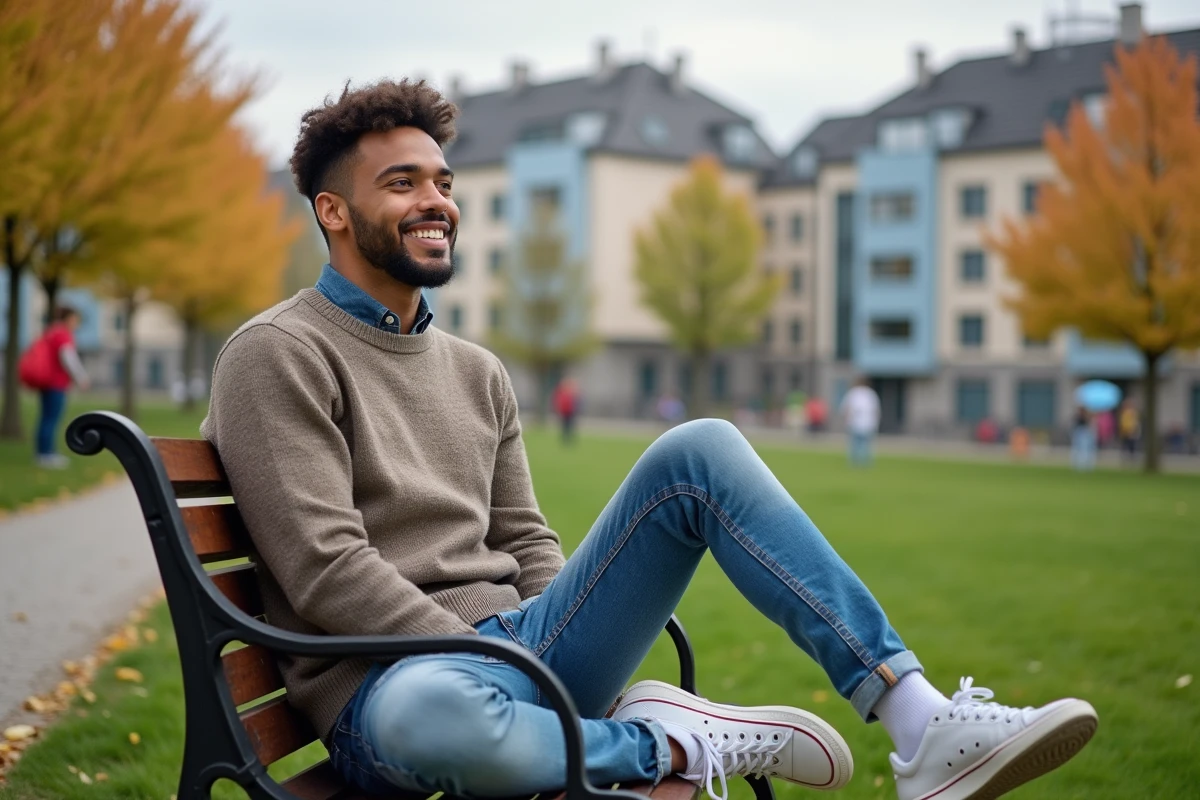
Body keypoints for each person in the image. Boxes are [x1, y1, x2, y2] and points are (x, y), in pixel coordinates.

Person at [201, 80, 1096, 800]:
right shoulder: (278, 354)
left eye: (442, 182)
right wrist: (493, 659)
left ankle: (920, 722)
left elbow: (524, 542)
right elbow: (326, 568)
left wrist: (560, 654)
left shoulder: (476, 370)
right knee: (440, 718)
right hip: (388, 689)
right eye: (403, 183)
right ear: (333, 212)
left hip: (522, 652)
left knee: (699, 448)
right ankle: (670, 742)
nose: (436, 201)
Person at [17, 305, 90, 468]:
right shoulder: (63, 334)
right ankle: (46, 454)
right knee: (51, 419)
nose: (76, 323)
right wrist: (81, 377)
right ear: (69, 318)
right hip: (56, 384)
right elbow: (68, 357)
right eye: (75, 319)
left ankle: (42, 452)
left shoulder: (51, 331)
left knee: (45, 418)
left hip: (46, 382)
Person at [839, 377, 881, 467]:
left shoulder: (853, 393)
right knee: (865, 445)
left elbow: (847, 408)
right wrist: (876, 423)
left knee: (855, 445)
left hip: (856, 422)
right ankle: (864, 464)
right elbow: (876, 410)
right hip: (868, 423)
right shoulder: (871, 394)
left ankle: (855, 463)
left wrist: (846, 421)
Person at [551, 377, 580, 444]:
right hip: (564, 412)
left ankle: (569, 438)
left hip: (570, 412)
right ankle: (565, 439)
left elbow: (574, 402)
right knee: (564, 426)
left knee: (570, 426)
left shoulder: (570, 393)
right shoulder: (562, 393)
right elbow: (559, 402)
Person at [1070, 406, 1096, 472]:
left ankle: (1085, 465)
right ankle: (1079, 464)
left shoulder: (1086, 417)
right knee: (1078, 450)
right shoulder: (1078, 417)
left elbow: (1089, 425)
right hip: (1079, 433)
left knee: (1085, 450)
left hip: (1084, 434)